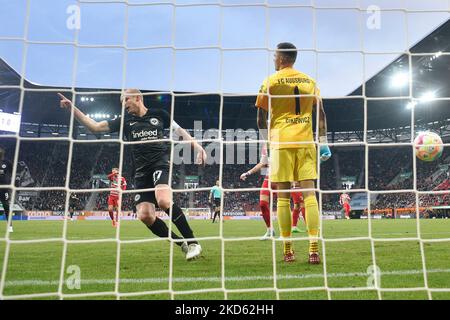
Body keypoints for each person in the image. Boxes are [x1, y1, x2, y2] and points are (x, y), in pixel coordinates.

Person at [58, 89, 207, 260]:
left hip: (160, 164)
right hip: (140, 172)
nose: (124, 105)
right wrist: (72, 108)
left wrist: (199, 149)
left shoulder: (159, 115)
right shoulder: (125, 121)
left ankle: (194, 242)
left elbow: (180, 132)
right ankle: (181, 243)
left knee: (164, 200)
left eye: (126, 100)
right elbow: (95, 126)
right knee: (145, 215)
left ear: (137, 98)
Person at [255, 42, 331, 264]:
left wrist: (266, 145)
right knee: (310, 195)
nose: (273, 60)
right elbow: (322, 115)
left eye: (274, 57)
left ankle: (288, 250)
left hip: (280, 144)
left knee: (283, 198)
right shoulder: (310, 81)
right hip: (306, 142)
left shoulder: (270, 81)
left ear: (280, 58)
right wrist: (324, 143)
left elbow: (260, 118)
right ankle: (314, 249)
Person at [240, 145, 306, 240]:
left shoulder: (284, 142)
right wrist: (248, 173)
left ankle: (284, 233)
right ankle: (270, 230)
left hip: (281, 179)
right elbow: (262, 163)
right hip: (268, 179)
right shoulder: (266, 146)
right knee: (262, 204)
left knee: (282, 205)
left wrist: (292, 178)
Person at [0, 147, 13, 233]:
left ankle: (10, 226)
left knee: (6, 206)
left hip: (4, 188)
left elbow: (12, 172)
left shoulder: (7, 163)